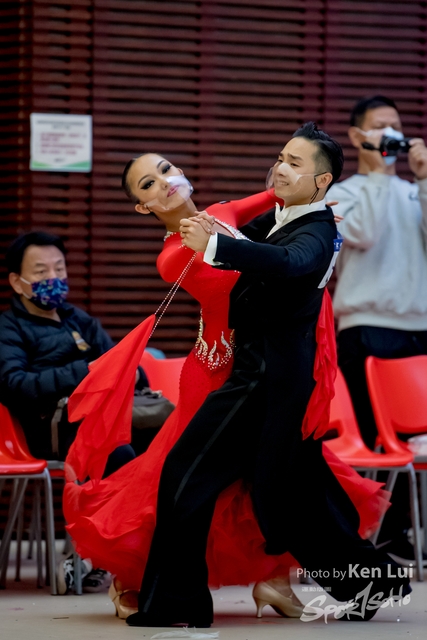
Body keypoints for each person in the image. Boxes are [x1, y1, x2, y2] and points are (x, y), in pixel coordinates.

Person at [63, 144, 392, 621]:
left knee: (276, 484)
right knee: (203, 478)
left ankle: (306, 583)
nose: (165, 182)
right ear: (143, 206)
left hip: (261, 370)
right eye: (149, 184)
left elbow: (276, 206)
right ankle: (171, 590)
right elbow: (255, 255)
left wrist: (311, 215)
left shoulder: (222, 215)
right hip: (218, 374)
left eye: (166, 169)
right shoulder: (173, 256)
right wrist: (305, 222)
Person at [0, 231, 140, 593]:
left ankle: (128, 555)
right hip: (47, 430)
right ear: (17, 281)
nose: (53, 278)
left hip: (100, 421)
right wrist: (86, 372)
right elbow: (14, 385)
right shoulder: (9, 328)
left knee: (162, 449)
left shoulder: (79, 320)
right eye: (41, 272)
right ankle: (107, 556)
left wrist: (128, 370)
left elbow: (120, 364)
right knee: (118, 454)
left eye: (59, 270)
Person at [328, 95, 427, 565]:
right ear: (357, 136)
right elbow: (362, 233)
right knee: (373, 439)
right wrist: (378, 173)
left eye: (395, 126)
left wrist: (422, 179)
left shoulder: (413, 191)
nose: (390, 134)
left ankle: (410, 531)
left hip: (419, 329)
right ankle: (384, 535)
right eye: (379, 126)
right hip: (366, 328)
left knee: (418, 442)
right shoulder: (344, 192)